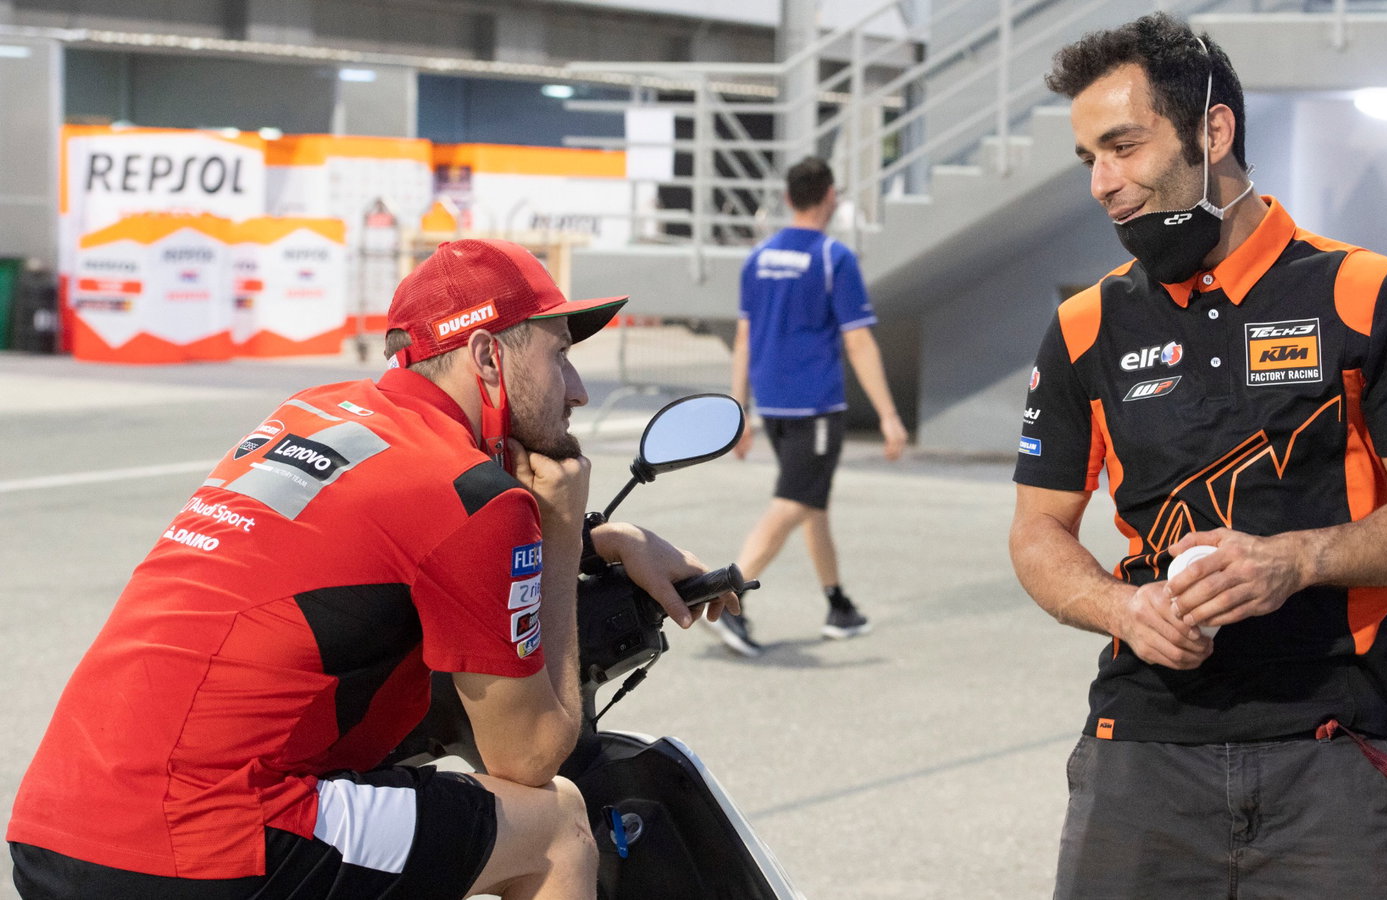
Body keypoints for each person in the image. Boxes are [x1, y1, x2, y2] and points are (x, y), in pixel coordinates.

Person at [8, 238, 733, 900]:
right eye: (558, 356)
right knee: (554, 825)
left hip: (58, 825)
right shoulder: (472, 498)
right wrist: (567, 534)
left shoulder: (314, 414)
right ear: (486, 357)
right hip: (205, 841)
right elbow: (531, 756)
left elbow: (386, 526)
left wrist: (609, 536)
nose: (577, 389)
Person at [1009, 14, 1387, 898]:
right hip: (1138, 755)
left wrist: (1299, 559)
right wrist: (1120, 606)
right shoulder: (1084, 327)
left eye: (1123, 146)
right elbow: (1037, 529)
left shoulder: (1366, 293)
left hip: (1330, 756)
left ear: (1212, 130)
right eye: (1089, 161)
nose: (1103, 185)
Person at [708, 156, 909, 658]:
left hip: (774, 407)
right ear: (829, 197)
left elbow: (744, 337)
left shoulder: (758, 258)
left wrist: (741, 411)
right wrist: (888, 415)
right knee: (796, 500)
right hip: (815, 405)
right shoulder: (831, 258)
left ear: (788, 198)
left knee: (812, 502)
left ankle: (838, 604)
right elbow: (859, 342)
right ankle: (730, 599)